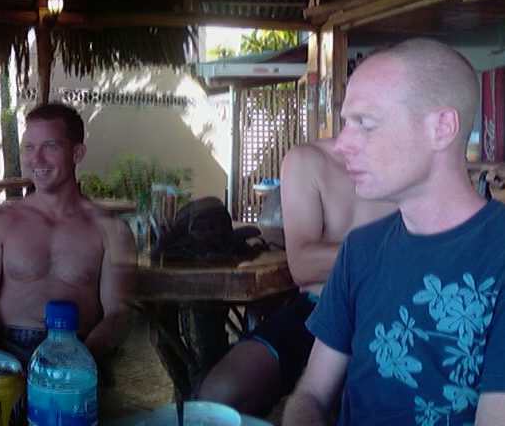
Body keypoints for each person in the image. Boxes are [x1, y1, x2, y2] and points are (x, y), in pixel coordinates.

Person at [285, 38, 505, 425]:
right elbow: (311, 394)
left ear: (442, 128)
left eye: (365, 124)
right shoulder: (360, 249)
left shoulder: (498, 252)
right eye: (345, 123)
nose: (340, 144)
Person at [198, 139, 396, 416]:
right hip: (318, 308)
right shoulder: (308, 159)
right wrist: (393, 249)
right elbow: (302, 265)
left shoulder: (411, 163)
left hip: (389, 311)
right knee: (219, 394)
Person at [0, 102, 134, 364]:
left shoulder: (110, 230)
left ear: (77, 153)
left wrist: (77, 365)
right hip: (8, 350)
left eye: (50, 147)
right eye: (29, 147)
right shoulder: (1, 223)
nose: (36, 159)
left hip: (82, 351)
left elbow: (118, 315)